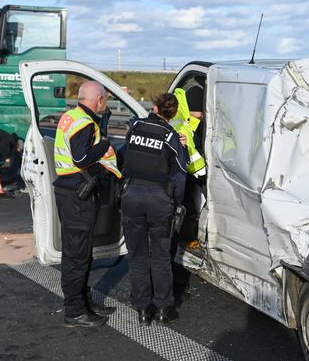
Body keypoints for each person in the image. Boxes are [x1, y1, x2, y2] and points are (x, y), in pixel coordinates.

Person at [53, 81, 120, 327]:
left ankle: (83, 302)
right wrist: (104, 144)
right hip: (77, 196)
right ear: (99, 99)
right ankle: (74, 311)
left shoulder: (71, 116)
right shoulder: (85, 124)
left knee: (81, 253)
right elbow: (80, 158)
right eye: (105, 100)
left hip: (70, 192)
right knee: (77, 256)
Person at [120, 92, 188, 326]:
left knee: (137, 256)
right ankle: (161, 309)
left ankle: (141, 309)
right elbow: (180, 175)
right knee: (160, 257)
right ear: (173, 113)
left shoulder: (136, 126)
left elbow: (124, 155)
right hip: (159, 201)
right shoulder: (171, 137)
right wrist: (177, 204)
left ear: (155, 107)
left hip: (131, 197)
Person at [169, 86, 206, 246]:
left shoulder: (181, 116)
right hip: (181, 173)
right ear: (193, 108)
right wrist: (205, 174)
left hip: (179, 171)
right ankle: (188, 238)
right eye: (201, 112)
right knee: (187, 205)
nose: (203, 115)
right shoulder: (182, 125)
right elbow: (191, 157)